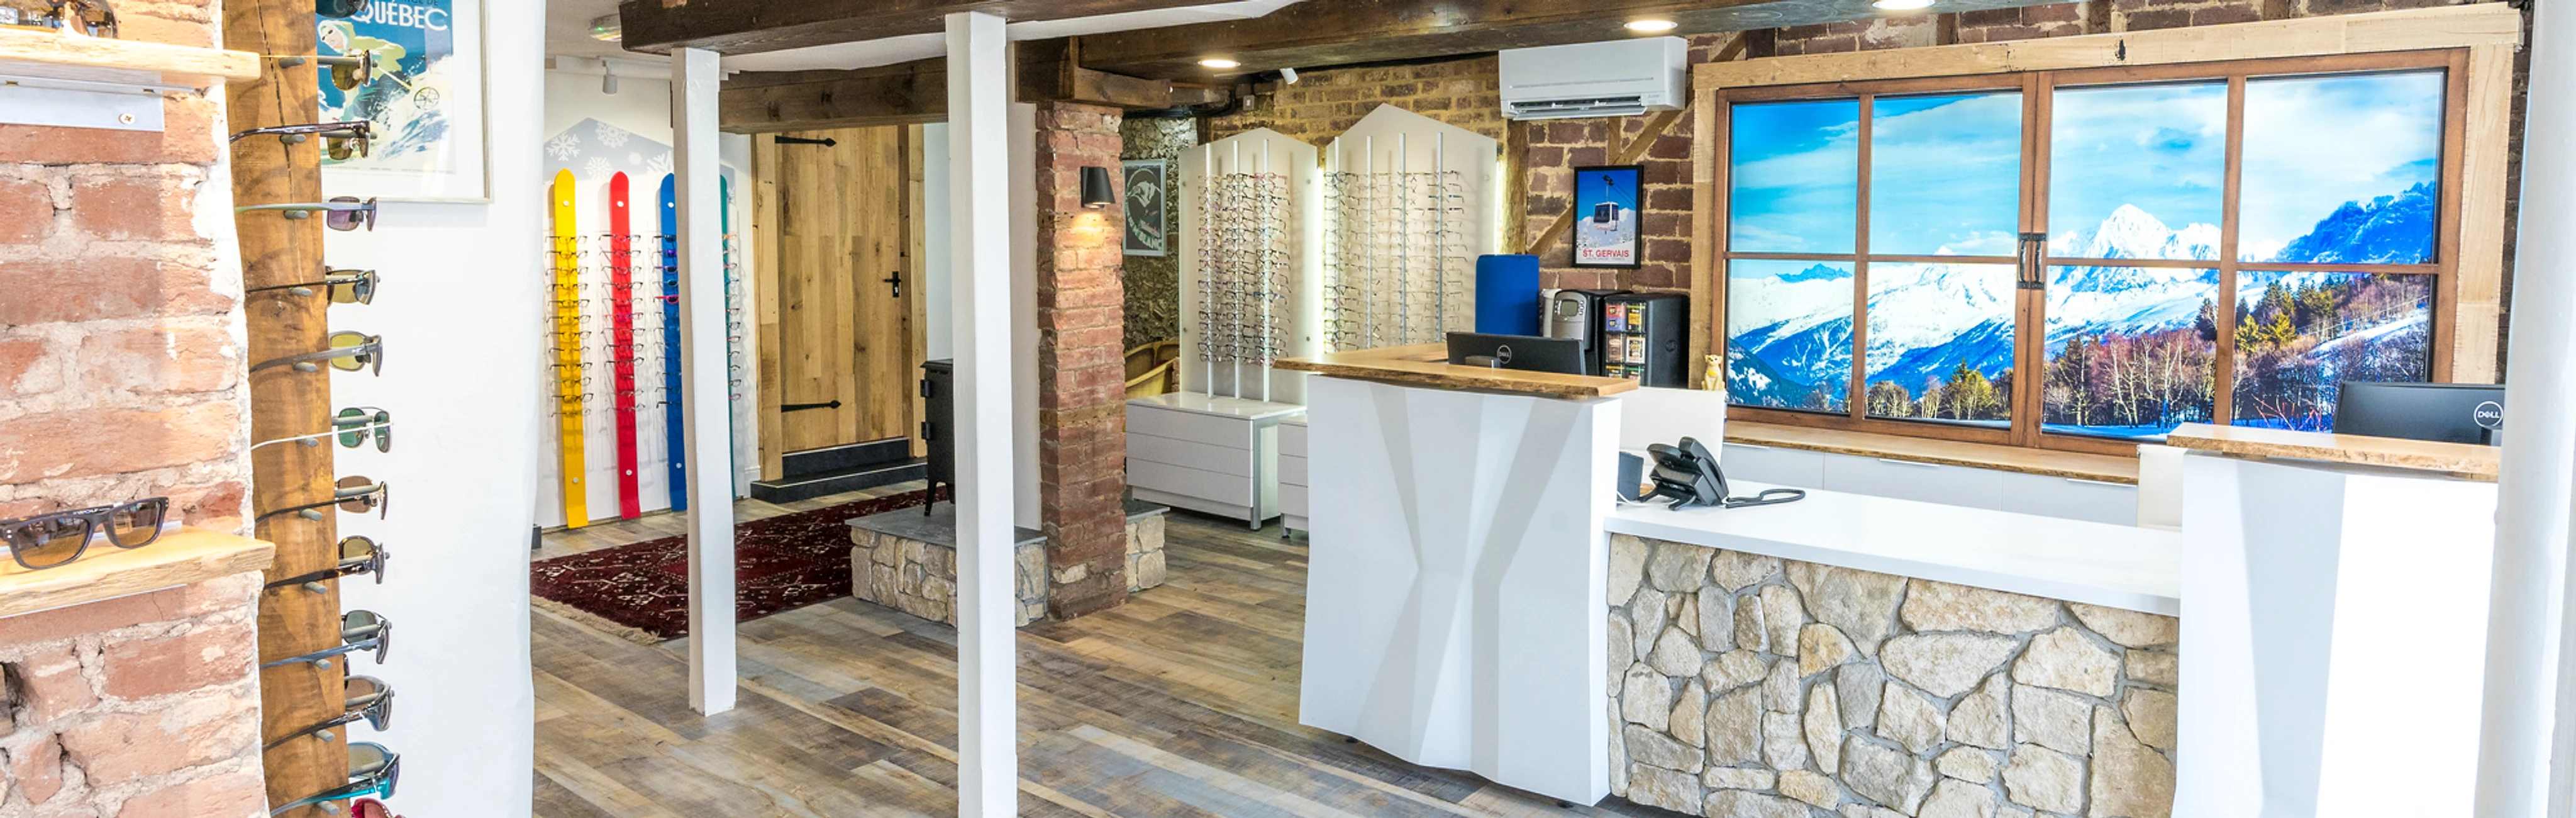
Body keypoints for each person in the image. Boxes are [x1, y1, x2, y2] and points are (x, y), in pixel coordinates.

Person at [319, 20, 408, 123]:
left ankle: (391, 117)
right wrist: (344, 119)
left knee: (366, 100)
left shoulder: (362, 42)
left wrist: (376, 54)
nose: (328, 39)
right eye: (324, 38)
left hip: (394, 78)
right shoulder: (345, 61)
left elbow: (399, 50)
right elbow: (351, 93)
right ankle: (388, 120)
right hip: (381, 88)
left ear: (342, 30)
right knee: (357, 106)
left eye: (330, 32)